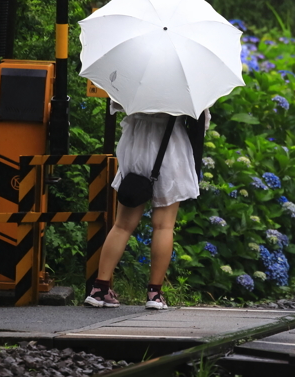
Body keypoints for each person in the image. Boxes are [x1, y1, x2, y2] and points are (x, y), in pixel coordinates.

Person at [84, 106, 208, 309]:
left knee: (122, 225)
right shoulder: (184, 81)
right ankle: (154, 294)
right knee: (163, 226)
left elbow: (117, 105)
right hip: (169, 147)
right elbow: (199, 121)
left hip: (135, 145)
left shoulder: (136, 76)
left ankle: (100, 289)